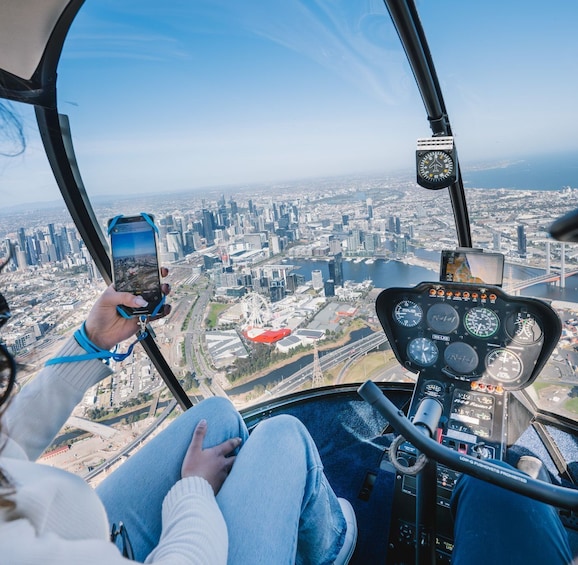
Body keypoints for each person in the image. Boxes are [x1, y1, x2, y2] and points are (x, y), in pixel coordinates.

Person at [0, 267, 357, 564]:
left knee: (217, 417)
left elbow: (7, 449)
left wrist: (92, 339)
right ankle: (330, 546)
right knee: (282, 437)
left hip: (74, 532)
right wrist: (195, 491)